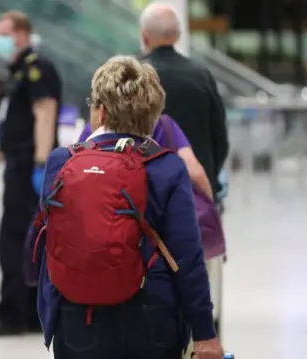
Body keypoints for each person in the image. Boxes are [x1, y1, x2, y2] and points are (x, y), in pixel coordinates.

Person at [32, 55, 223, 359]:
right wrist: (205, 334)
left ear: (102, 111)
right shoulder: (166, 167)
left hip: (75, 315)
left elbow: (43, 240)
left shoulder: (62, 160)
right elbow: (187, 258)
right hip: (150, 316)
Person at [0, 10, 61, 337]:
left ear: (21, 34)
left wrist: (41, 165)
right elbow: (13, 124)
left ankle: (13, 314)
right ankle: (25, 312)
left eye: (3, 33)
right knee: (23, 239)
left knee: (17, 240)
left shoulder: (38, 68)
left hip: (28, 167)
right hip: (17, 163)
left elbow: (45, 115)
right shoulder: (18, 71)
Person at [139, 3, 229, 199]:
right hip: (196, 192)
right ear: (177, 36)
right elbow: (220, 138)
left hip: (145, 194)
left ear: (145, 36)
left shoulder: (133, 76)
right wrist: (210, 179)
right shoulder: (202, 75)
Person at [78, 114, 213, 199]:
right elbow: (195, 172)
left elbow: (75, 172)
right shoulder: (164, 126)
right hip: (153, 231)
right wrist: (211, 211)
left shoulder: (94, 128)